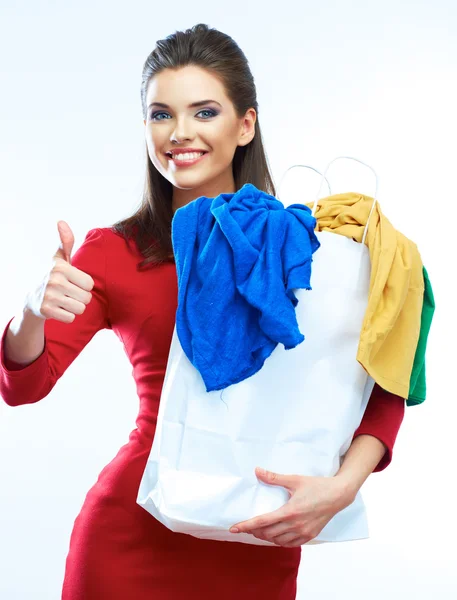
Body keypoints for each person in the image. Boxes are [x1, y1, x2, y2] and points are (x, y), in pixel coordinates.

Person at [0, 23, 405, 600]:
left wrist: (342, 487)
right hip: (129, 540)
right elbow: (24, 385)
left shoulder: (304, 245)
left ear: (246, 124)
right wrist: (30, 311)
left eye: (204, 111)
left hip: (260, 538)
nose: (179, 133)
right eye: (161, 114)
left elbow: (384, 384)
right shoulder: (115, 252)